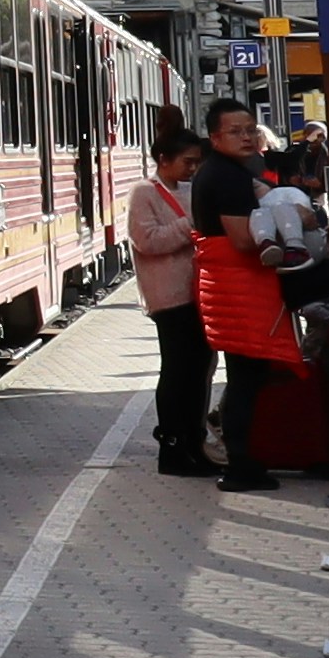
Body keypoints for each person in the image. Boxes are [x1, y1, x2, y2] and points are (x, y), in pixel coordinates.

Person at [192, 120, 313, 495]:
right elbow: (243, 240)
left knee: (244, 378)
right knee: (246, 380)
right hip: (240, 293)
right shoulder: (227, 177)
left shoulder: (230, 171)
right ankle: (242, 466)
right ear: (215, 137)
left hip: (229, 293)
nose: (246, 137)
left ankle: (244, 461)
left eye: (249, 129)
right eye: (235, 131)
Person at [131, 122, 215, 478]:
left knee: (201, 368)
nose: (193, 168)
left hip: (197, 293)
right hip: (168, 296)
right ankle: (173, 447)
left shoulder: (188, 189)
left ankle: (195, 442)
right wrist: (190, 225)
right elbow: (146, 241)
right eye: (187, 161)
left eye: (196, 162)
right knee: (178, 371)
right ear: (163, 159)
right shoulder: (144, 193)